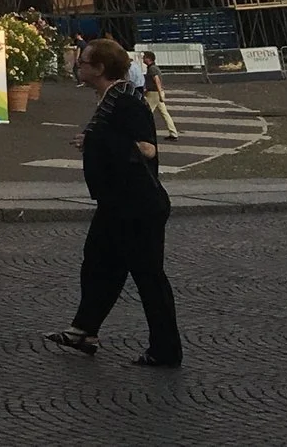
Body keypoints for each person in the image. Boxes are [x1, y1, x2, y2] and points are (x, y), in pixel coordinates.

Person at [47, 36, 181, 367]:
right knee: (97, 264)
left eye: (83, 63)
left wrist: (98, 141)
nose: (78, 67)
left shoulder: (127, 102)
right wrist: (92, 141)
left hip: (136, 206)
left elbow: (147, 148)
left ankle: (166, 350)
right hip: (115, 203)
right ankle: (84, 331)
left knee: (149, 277)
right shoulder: (111, 99)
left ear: (100, 68)